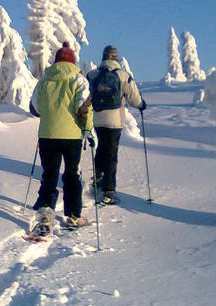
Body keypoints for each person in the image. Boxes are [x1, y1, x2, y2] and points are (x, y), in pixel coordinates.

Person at [28, 42, 94, 236]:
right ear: (73, 61)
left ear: (56, 60)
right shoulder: (79, 80)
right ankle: (73, 214)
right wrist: (88, 129)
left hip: (47, 135)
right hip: (72, 136)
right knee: (72, 174)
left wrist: (49, 113)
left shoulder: (44, 79)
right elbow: (84, 107)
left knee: (49, 174)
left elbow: (35, 108)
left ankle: (46, 215)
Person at [87, 45, 146, 205]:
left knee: (102, 147)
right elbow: (134, 98)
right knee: (111, 153)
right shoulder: (123, 75)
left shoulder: (93, 75)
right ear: (116, 58)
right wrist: (141, 105)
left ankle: (98, 178)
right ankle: (108, 191)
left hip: (98, 119)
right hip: (115, 120)